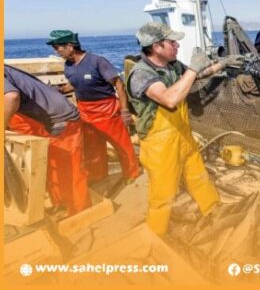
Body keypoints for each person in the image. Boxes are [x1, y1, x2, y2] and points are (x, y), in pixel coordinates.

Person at [125, 22, 245, 236]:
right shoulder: (141, 74)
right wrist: (191, 69)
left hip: (182, 135)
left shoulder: (171, 65)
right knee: (162, 196)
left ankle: (212, 211)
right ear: (156, 47)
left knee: (199, 176)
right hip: (159, 145)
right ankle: (155, 237)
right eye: (172, 42)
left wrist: (223, 64)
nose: (177, 45)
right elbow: (170, 99)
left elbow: (196, 75)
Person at [47, 30, 140, 184]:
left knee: (121, 143)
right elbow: (73, 83)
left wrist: (124, 111)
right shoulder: (69, 65)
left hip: (107, 109)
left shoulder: (97, 62)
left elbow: (119, 84)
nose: (56, 51)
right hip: (85, 111)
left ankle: (132, 173)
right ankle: (98, 174)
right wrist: (61, 90)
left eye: (58, 47)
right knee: (93, 146)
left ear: (70, 46)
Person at [4, 65, 90, 215]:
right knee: (51, 165)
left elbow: (12, 97)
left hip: (62, 120)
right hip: (45, 118)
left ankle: (78, 209)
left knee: (68, 167)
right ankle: (61, 204)